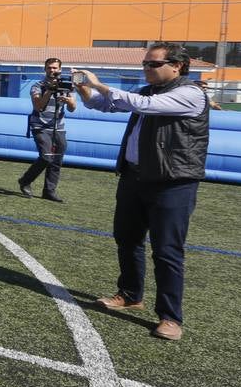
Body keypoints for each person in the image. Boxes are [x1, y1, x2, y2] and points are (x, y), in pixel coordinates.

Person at [75, 44, 210, 341]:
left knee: (167, 251)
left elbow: (142, 106)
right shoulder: (147, 92)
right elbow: (103, 105)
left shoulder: (189, 94)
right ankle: (130, 294)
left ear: (178, 66)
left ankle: (170, 317)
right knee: (127, 238)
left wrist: (98, 82)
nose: (146, 68)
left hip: (172, 182)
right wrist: (84, 89)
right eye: (145, 63)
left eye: (153, 64)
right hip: (135, 177)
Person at [18, 57, 77, 202]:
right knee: (46, 157)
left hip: (59, 127)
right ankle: (25, 180)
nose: (52, 70)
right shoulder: (37, 85)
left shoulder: (67, 85)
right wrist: (49, 91)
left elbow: (72, 108)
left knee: (57, 160)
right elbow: (38, 106)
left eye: (55, 68)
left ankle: (49, 191)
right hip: (40, 125)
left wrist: (69, 101)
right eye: (49, 68)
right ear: (45, 69)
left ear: (60, 69)